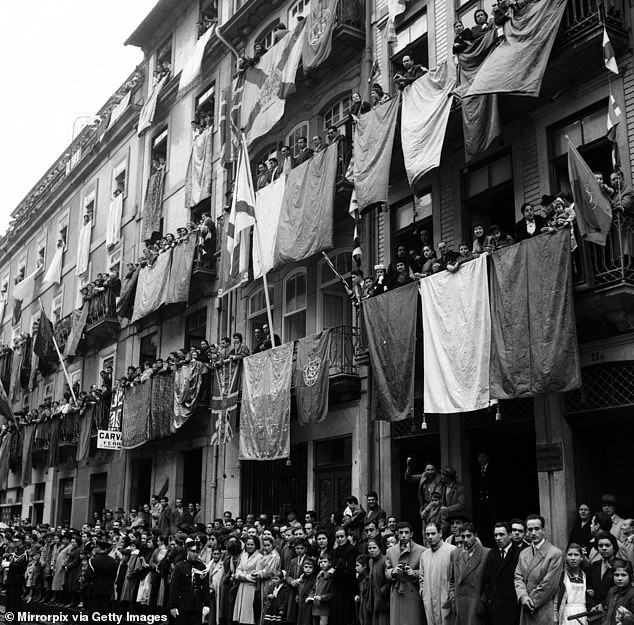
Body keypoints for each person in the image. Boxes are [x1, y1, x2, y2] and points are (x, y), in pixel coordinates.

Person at [514, 514, 563, 625]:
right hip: (526, 606)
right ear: (526, 532)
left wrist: (531, 601)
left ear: (544, 530)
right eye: (530, 529)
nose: (533, 533)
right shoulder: (523, 553)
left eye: (537, 529)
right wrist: (523, 596)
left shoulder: (554, 553)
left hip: (542, 607)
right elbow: (518, 577)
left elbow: (549, 584)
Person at [385, 522, 424, 625]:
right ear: (397, 534)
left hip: (412, 590)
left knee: (412, 620)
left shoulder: (421, 550)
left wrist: (414, 573)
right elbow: (386, 570)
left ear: (411, 534)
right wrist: (393, 572)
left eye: (406, 532)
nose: (403, 535)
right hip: (397, 590)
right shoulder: (391, 551)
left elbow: (425, 572)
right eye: (401, 532)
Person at [483, 521, 522, 625]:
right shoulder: (492, 554)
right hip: (496, 607)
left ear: (510, 535)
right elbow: (487, 580)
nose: (498, 538)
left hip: (513, 606)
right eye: (496, 535)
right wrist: (490, 599)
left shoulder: (519, 554)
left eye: (501, 534)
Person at [452, 522, 490, 624]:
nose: (465, 540)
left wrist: (482, 603)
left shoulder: (485, 554)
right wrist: (453, 599)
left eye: (469, 536)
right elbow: (451, 580)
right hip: (460, 604)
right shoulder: (456, 554)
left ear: (475, 536)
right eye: (463, 536)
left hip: (475, 604)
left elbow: (489, 583)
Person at [419, 522, 456, 625]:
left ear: (440, 533)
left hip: (446, 601)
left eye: (433, 533)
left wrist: (451, 596)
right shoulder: (424, 555)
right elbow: (421, 578)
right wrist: (423, 592)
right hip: (429, 602)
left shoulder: (452, 551)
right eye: (427, 534)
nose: (430, 537)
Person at [169, 537, 211, 625]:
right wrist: (173, 606)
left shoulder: (202, 567)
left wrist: (206, 604)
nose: (195, 554)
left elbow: (205, 587)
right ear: (188, 551)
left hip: (197, 605)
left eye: (197, 552)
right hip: (183, 605)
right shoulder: (180, 566)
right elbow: (174, 588)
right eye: (193, 551)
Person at [329, 527, 358, 625]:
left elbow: (351, 571)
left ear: (346, 537)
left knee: (345, 615)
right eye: (337, 537)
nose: (340, 539)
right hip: (337, 587)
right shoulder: (336, 551)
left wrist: (335, 572)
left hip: (348, 588)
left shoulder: (352, 550)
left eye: (342, 536)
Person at [554, 542, 587, 625]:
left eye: (576, 555)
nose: (573, 558)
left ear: (581, 557)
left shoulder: (585, 576)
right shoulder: (561, 576)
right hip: (566, 613)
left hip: (583, 612)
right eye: (570, 555)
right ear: (565, 557)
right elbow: (556, 598)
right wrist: (555, 616)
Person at [586, 531, 619, 610]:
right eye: (600, 546)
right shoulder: (594, 566)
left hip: (614, 608)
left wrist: (604, 604)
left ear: (614, 547)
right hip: (595, 611)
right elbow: (588, 589)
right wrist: (593, 606)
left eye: (607, 545)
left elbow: (621, 591)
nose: (604, 548)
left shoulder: (622, 565)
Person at [234, 537, 263, 625]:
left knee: (248, 614)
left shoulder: (259, 557)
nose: (250, 546)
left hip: (251, 587)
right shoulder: (244, 555)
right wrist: (239, 575)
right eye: (248, 544)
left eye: (252, 544)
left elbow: (257, 574)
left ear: (256, 545)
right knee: (240, 613)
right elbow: (238, 569)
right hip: (242, 586)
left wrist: (245, 577)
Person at [405, 459, 443, 526]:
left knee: (434, 526)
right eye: (428, 470)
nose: (430, 472)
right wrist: (409, 466)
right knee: (425, 528)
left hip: (435, 507)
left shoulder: (439, 479)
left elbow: (436, 497)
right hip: (425, 505)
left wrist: (425, 510)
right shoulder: (424, 476)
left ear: (435, 470)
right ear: (425, 470)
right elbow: (409, 478)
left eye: (432, 469)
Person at [85, 540, 117, 616]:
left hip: (95, 588)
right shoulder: (112, 561)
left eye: (96, 547)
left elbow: (88, 575)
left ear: (99, 548)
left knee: (94, 610)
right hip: (107, 589)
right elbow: (114, 575)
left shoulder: (93, 560)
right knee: (104, 610)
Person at [601, 559, 634, 625]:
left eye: (623, 575)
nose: (619, 578)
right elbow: (606, 612)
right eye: (616, 575)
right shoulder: (612, 591)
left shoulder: (632, 593)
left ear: (630, 576)